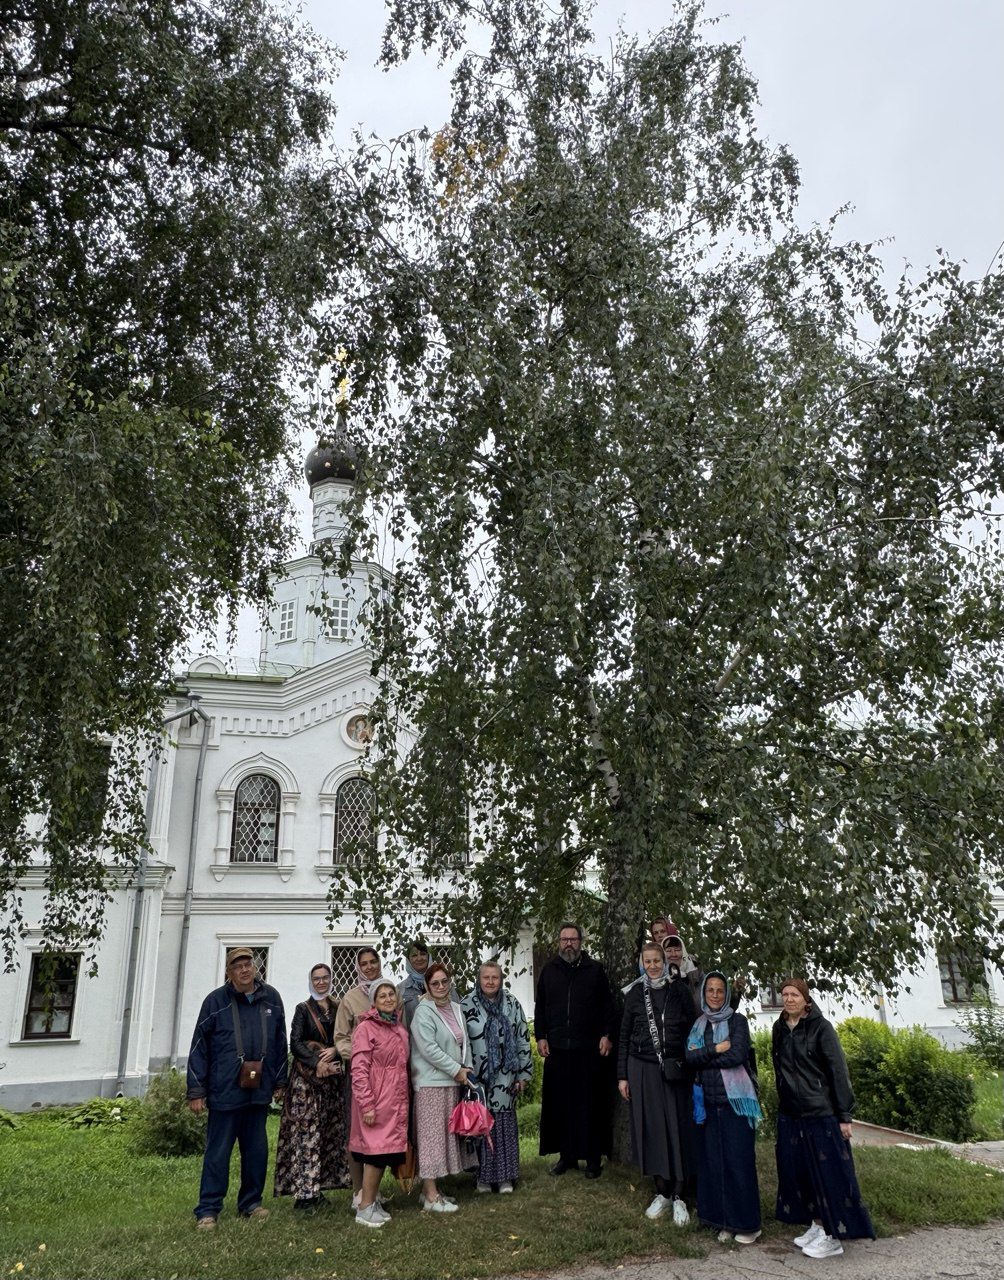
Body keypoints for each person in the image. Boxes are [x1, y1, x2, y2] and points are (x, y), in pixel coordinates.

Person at [772, 977, 875, 1259]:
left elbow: (838, 1071)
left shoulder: (821, 1028)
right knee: (802, 1174)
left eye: (794, 994)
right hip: (792, 1114)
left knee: (829, 1176)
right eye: (785, 994)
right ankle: (818, 1224)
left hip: (821, 1113)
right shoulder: (780, 1028)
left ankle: (834, 1236)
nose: (789, 999)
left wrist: (844, 1115)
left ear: (806, 999)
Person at [186, 947, 288, 1229]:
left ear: (256, 967)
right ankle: (208, 1209)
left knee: (256, 1151)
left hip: (258, 1090)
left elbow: (281, 1042)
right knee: (218, 1153)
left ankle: (251, 1203)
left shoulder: (271, 999)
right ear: (229, 972)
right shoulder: (215, 1002)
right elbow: (199, 1046)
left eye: (248, 964)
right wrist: (196, 1090)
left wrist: (280, 1081)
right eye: (237, 966)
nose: (244, 970)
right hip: (225, 1090)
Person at [617, 942, 697, 1223]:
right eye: (647, 961)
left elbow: (693, 1030)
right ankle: (661, 1191)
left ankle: (680, 1195)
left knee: (677, 1128)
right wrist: (622, 1075)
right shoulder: (635, 993)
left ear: (665, 962)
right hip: (642, 1068)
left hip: (675, 1069)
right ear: (642, 963)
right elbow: (624, 1036)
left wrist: (691, 1064)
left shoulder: (679, 991)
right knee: (651, 1128)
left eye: (656, 961)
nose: (652, 966)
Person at [685, 972, 762, 1244]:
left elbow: (737, 1055)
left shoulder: (737, 1021)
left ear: (726, 993)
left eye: (720, 990)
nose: (715, 995)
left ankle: (748, 1225)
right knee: (713, 1164)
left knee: (738, 1163)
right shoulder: (699, 1025)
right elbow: (689, 1057)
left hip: (735, 1104)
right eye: (710, 990)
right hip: (707, 1103)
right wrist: (716, 1049)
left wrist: (705, 1057)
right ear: (703, 993)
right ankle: (722, 1221)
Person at [535, 922, 617, 1178]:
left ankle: (593, 1160)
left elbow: (607, 1006)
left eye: (573, 939)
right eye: (564, 939)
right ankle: (566, 1157)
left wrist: (607, 1035)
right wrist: (541, 1036)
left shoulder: (595, 970)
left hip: (588, 1051)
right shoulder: (549, 970)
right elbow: (541, 1007)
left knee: (590, 1107)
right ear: (559, 942)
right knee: (561, 1106)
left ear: (581, 942)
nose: (568, 943)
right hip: (558, 1050)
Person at [274, 962, 352, 1211]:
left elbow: (346, 1035)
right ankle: (304, 1195)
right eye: (316, 978)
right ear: (311, 981)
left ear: (331, 979)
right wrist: (317, 1061)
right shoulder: (303, 1009)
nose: (321, 982)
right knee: (306, 1135)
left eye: (325, 978)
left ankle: (317, 1190)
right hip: (306, 1083)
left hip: (331, 1082)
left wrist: (336, 1050)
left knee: (327, 1134)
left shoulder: (338, 1007)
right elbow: (295, 1043)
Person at [410, 961, 477, 1211]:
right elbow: (429, 1049)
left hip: (453, 1081)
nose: (440, 986)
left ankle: (431, 1190)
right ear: (427, 986)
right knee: (431, 1139)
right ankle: (430, 1196)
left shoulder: (457, 1008)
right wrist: (455, 1069)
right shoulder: (423, 1012)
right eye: (435, 983)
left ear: (450, 982)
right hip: (431, 1083)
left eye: (444, 981)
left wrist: (467, 1069)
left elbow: (464, 1043)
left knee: (443, 1138)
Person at [461, 961, 533, 1193]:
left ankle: (505, 1178)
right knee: (480, 1124)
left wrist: (523, 1074)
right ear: (479, 979)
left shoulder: (512, 1004)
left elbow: (523, 1038)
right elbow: (459, 1041)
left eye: (495, 977)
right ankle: (482, 1178)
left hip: (505, 1076)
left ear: (501, 980)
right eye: (486, 977)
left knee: (502, 1125)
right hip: (477, 1077)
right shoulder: (466, 1004)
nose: (490, 982)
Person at [349, 978, 411, 1229]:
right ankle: (364, 1208)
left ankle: (371, 1201)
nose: (388, 999)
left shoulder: (398, 1028)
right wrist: (366, 1104)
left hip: (394, 1101)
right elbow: (359, 1069)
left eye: (391, 994)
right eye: (382, 995)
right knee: (375, 1154)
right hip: (376, 1100)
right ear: (373, 1001)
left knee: (383, 1153)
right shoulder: (366, 1028)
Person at [334, 947, 394, 1207]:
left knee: (379, 1132)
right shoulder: (350, 998)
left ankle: (373, 1190)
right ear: (358, 967)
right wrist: (362, 1056)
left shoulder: (390, 993)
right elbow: (340, 1037)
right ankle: (358, 1191)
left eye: (373, 962)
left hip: (386, 1077)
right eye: (364, 963)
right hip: (360, 1075)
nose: (369, 967)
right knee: (357, 1131)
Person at [398, 941, 458, 1028]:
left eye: (423, 954)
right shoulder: (401, 989)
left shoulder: (446, 986)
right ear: (408, 959)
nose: (419, 958)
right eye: (414, 955)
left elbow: (457, 1014)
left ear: (429, 956)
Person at [662, 930, 704, 1003]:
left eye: (677, 950)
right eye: (668, 951)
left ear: (683, 951)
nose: (673, 954)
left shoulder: (696, 973)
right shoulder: (659, 974)